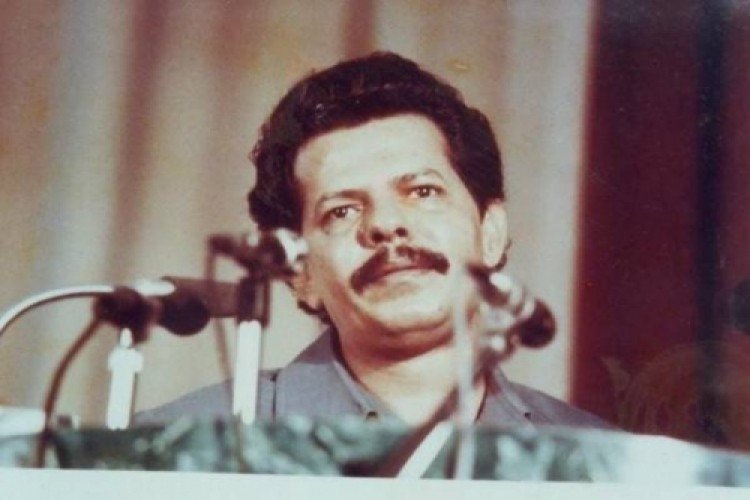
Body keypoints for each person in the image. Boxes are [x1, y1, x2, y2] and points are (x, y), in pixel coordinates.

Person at [139, 52, 610, 429]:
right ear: (301, 274)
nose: (385, 224)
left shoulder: (603, 464)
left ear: (490, 233)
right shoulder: (169, 450)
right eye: (342, 211)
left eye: (422, 192)